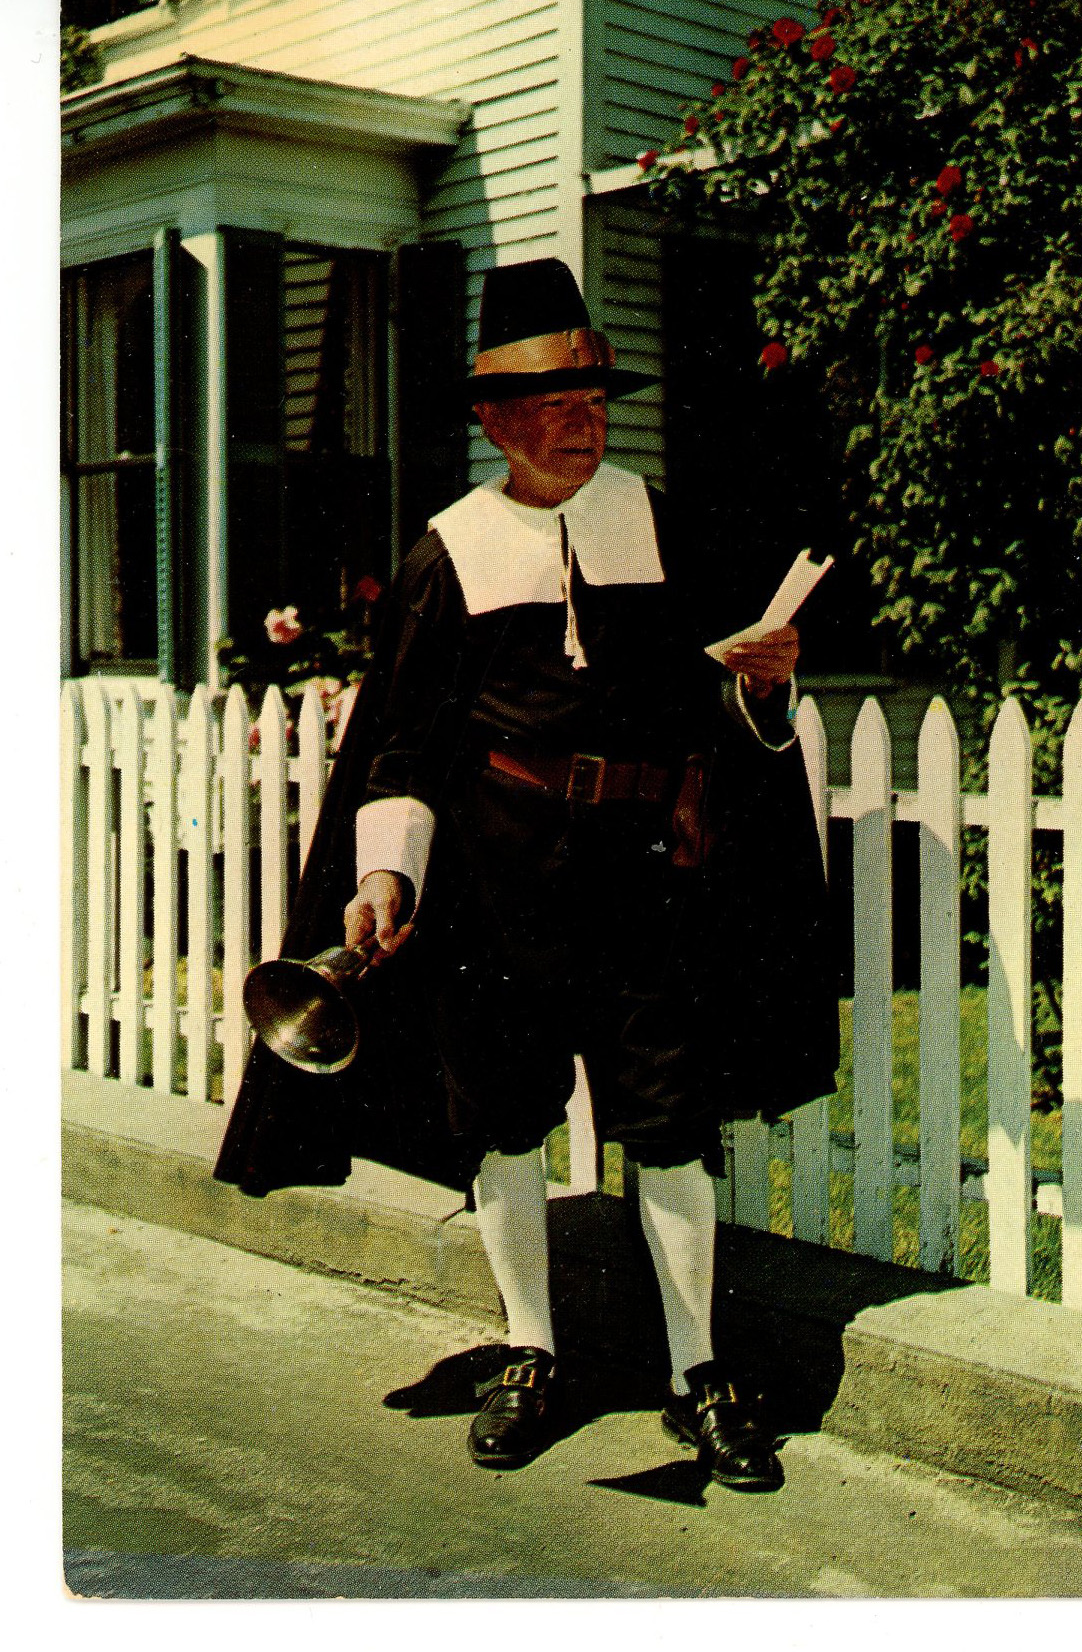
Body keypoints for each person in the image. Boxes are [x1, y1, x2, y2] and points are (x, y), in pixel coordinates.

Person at [215, 257, 839, 1489]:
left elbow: (724, 699)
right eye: (554, 406)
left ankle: (699, 1373)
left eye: (593, 401)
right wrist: (386, 875)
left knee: (668, 1124)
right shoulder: (448, 553)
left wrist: (767, 689)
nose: (582, 424)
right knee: (503, 1118)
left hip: (646, 877)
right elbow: (401, 741)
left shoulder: (658, 523)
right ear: (497, 421)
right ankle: (531, 1349)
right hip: (496, 889)